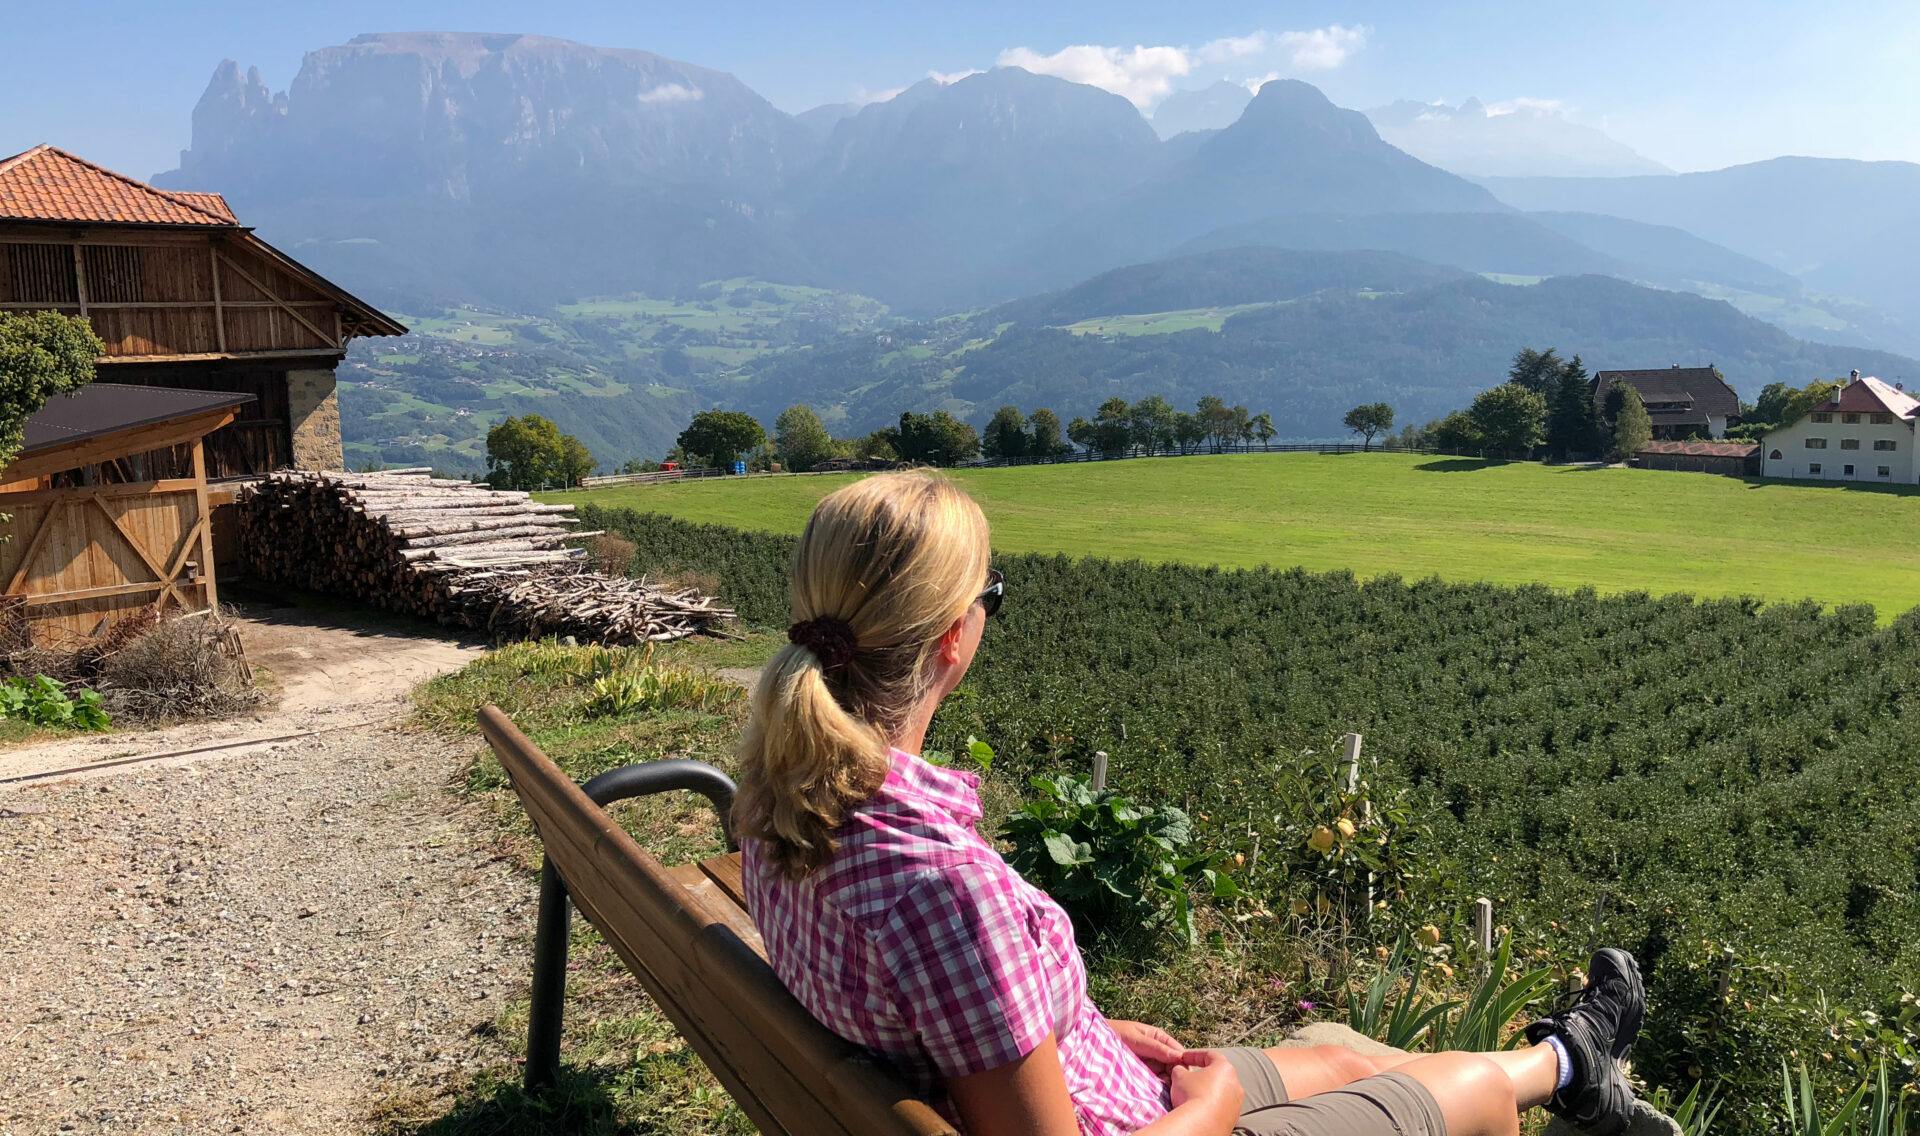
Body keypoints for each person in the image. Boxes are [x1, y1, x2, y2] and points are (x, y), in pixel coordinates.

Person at [734, 470, 1645, 1136]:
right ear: (951, 641)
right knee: (1478, 1097)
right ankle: (1567, 1058)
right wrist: (1209, 1113)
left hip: (1056, 1084)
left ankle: (1573, 1066)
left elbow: (925, 1012)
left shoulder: (781, 798)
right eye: (991, 598)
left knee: (1351, 1061)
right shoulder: (938, 886)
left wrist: (1064, 1028)